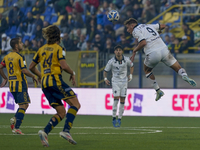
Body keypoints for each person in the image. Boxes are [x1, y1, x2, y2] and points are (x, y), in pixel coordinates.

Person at [29, 25, 81, 147]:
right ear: (58, 36)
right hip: (55, 81)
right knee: (75, 104)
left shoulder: (41, 49)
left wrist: (41, 75)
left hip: (45, 84)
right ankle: (66, 131)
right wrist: (72, 73)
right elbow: (63, 65)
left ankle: (44, 131)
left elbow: (31, 67)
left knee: (61, 112)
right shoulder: (59, 48)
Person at [124, 18, 196, 101]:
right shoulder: (148, 25)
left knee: (147, 70)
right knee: (178, 68)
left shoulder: (135, 31)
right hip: (164, 50)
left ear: (132, 25)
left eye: (128, 27)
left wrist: (134, 50)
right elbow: (163, 26)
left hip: (153, 53)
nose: (127, 30)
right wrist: (158, 32)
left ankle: (158, 90)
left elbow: (143, 42)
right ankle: (184, 75)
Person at [0, 37, 38, 134]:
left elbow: (0, 67)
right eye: (20, 43)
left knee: (25, 105)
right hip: (20, 84)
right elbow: (24, 70)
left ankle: (15, 119)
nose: (22, 44)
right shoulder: (20, 57)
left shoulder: (7, 57)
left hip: (12, 85)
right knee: (23, 105)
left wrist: (5, 78)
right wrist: (33, 76)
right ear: (16, 45)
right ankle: (16, 127)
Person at [103, 45, 134, 127]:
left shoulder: (126, 60)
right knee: (116, 98)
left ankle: (119, 118)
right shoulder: (111, 61)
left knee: (123, 100)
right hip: (115, 81)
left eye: (120, 50)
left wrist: (130, 75)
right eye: (116, 50)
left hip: (124, 81)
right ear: (114, 52)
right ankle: (114, 117)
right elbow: (105, 71)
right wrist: (105, 78)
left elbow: (132, 66)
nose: (118, 51)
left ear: (122, 51)